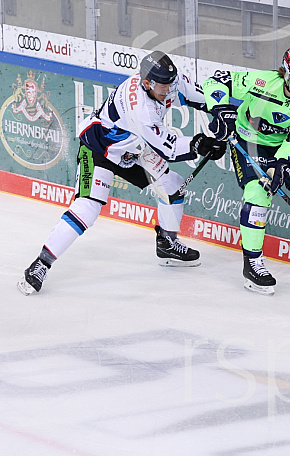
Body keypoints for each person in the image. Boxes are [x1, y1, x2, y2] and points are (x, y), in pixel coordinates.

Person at [18, 51, 226, 295]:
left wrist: (223, 112)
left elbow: (201, 97)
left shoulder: (165, 83)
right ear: (146, 83)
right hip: (101, 147)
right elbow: (168, 148)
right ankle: (41, 264)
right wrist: (200, 144)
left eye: (172, 84)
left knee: (172, 187)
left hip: (134, 147)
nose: (170, 91)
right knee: (87, 208)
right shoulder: (141, 108)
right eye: (164, 86)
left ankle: (167, 243)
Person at [202, 47, 290, 295]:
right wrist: (219, 109)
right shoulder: (261, 82)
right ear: (286, 74)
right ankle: (252, 263)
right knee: (258, 195)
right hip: (250, 140)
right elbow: (216, 81)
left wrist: (280, 165)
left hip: (285, 146)